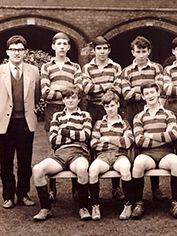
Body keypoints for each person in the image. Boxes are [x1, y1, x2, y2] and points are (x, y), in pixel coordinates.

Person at [32, 86, 92, 221]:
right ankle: (45, 208)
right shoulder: (57, 116)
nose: (70, 100)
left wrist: (64, 132)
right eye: (67, 98)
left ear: (78, 99)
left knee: (82, 169)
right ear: (63, 100)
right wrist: (74, 134)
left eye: (73, 97)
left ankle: (83, 207)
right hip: (60, 154)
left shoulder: (85, 115)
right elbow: (53, 138)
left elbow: (86, 136)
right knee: (37, 170)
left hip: (78, 153)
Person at [120, 36, 166, 200]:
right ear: (133, 52)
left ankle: (155, 188)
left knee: (152, 145)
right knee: (135, 144)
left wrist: (137, 92)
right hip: (134, 110)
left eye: (144, 51)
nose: (141, 55)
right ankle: (133, 185)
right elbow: (126, 94)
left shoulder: (156, 68)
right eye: (138, 52)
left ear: (149, 51)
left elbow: (159, 90)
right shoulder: (126, 71)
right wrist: (147, 94)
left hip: (153, 110)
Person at [130, 81, 177, 219]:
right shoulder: (139, 116)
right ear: (142, 96)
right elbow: (139, 140)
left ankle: (175, 203)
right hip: (147, 154)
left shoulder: (169, 114)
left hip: (166, 153)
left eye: (153, 92)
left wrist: (150, 136)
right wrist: (161, 138)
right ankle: (138, 203)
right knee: (138, 164)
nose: (150, 95)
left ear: (158, 93)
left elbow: (172, 135)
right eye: (146, 93)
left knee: (176, 163)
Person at [41, 32, 83, 201]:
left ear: (68, 47)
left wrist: (58, 92)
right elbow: (45, 92)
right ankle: (52, 189)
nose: (62, 47)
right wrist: (67, 93)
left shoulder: (75, 67)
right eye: (59, 44)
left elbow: (78, 89)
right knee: (54, 147)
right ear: (53, 46)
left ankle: (76, 189)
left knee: (73, 146)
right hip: (52, 111)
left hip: (72, 111)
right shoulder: (46, 67)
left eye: (65, 44)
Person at [82, 36, 125, 201]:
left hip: (112, 108)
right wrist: (107, 86)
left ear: (109, 50)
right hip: (93, 108)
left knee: (113, 142)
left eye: (105, 48)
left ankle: (116, 187)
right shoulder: (87, 68)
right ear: (94, 50)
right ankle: (92, 185)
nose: (102, 52)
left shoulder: (115, 67)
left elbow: (118, 88)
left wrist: (99, 87)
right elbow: (88, 88)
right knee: (94, 144)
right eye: (99, 49)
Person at [0, 35, 40, 209]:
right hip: (4, 123)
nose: (17, 53)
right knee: (5, 161)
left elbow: (37, 95)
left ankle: (23, 193)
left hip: (25, 122)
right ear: (8, 51)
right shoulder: (0, 71)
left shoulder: (33, 71)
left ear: (25, 52)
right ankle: (8, 196)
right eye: (13, 49)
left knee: (25, 160)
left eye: (20, 49)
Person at [88, 91, 134, 220]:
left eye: (112, 105)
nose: (110, 109)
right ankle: (95, 206)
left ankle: (128, 205)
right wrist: (116, 142)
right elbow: (93, 143)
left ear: (118, 105)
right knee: (92, 171)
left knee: (125, 169)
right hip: (103, 157)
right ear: (104, 107)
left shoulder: (124, 123)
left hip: (120, 156)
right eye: (107, 106)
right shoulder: (99, 124)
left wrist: (107, 138)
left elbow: (128, 142)